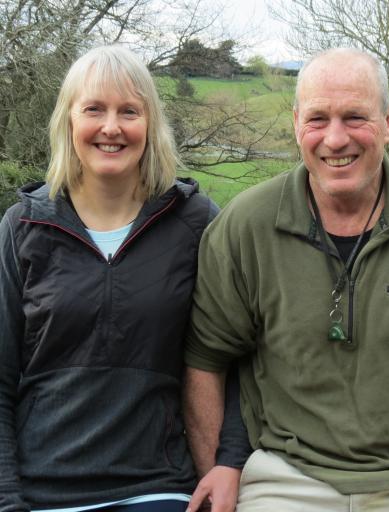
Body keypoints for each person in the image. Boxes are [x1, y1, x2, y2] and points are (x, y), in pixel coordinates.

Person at [183, 47, 389, 512]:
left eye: (355, 117)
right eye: (318, 119)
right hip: (283, 479)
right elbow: (206, 357)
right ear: (297, 122)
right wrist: (215, 467)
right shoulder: (245, 226)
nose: (335, 139)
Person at [0, 45, 249, 512]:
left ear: (150, 124)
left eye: (129, 111)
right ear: (68, 121)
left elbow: (238, 360)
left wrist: (229, 459)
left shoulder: (196, 223)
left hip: (158, 486)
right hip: (43, 492)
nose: (111, 127)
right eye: (94, 109)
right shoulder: (23, 228)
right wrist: (7, 499)